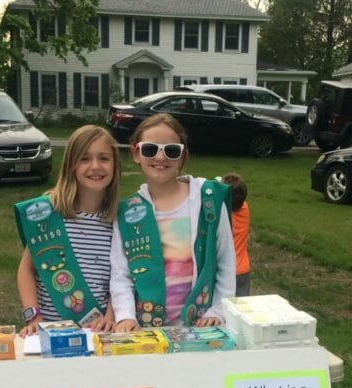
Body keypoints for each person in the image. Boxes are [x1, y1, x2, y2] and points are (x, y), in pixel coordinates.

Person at [109, 114, 236, 330]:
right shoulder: (128, 211)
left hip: (201, 325)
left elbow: (225, 260)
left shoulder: (208, 200)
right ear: (136, 153)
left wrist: (219, 310)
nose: (160, 157)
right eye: (150, 149)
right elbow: (121, 272)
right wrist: (126, 316)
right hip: (147, 329)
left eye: (171, 150)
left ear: (183, 155)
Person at [14, 125, 121, 336]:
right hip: (50, 330)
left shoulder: (118, 220)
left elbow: (122, 277)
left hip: (99, 331)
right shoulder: (48, 214)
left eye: (104, 158)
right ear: (71, 165)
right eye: (84, 159)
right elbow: (27, 269)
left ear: (115, 165)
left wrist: (111, 315)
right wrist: (33, 316)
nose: (95, 166)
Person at [221, 172, 252, 297]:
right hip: (243, 270)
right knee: (239, 311)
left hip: (225, 271)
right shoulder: (245, 208)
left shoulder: (221, 215)